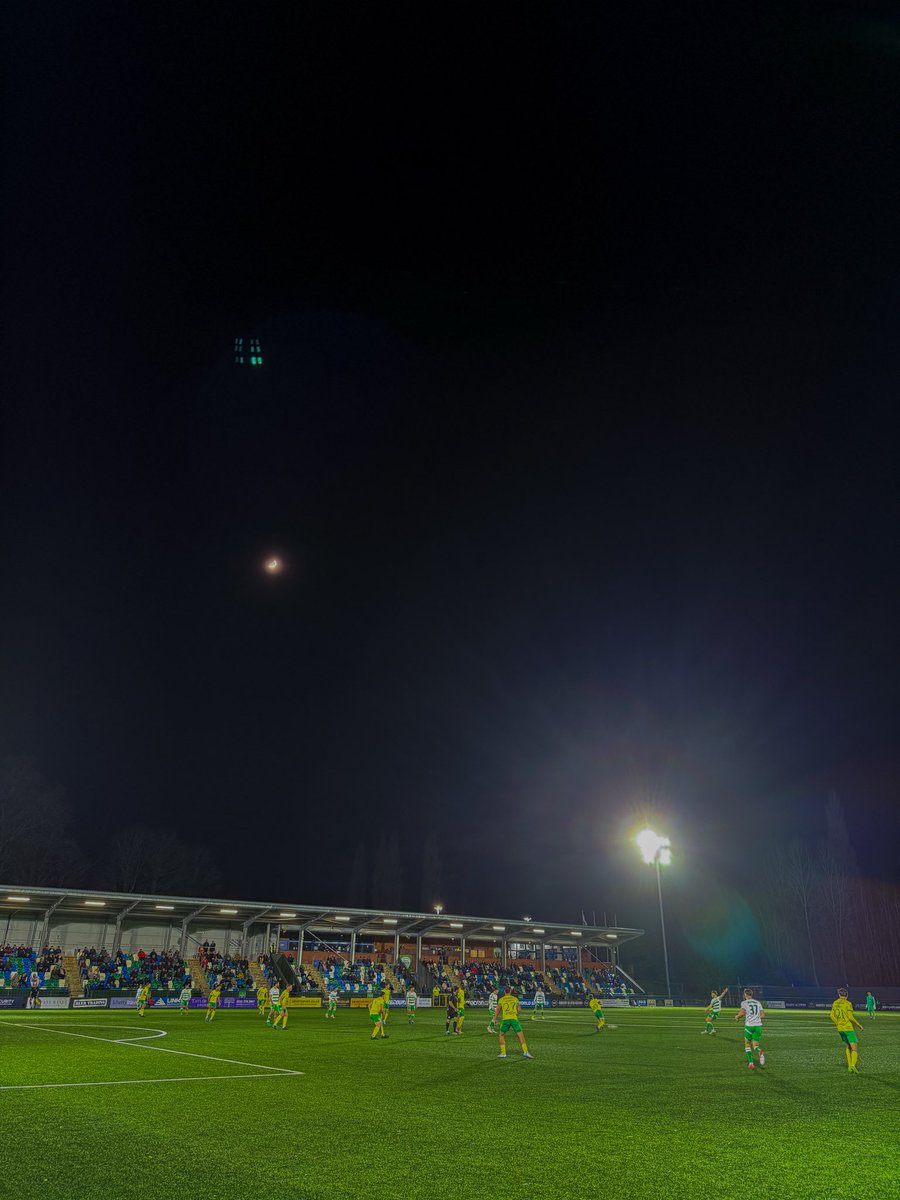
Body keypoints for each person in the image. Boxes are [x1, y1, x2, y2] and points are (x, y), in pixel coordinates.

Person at [830, 988, 863, 1073]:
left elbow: (831, 1016)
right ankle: (853, 1065)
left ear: (839, 995)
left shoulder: (835, 1003)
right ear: (847, 995)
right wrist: (859, 1025)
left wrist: (837, 1023)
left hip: (840, 1029)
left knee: (848, 1046)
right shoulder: (848, 1003)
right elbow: (850, 1017)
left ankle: (849, 1066)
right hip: (848, 1028)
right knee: (854, 1048)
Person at [495, 986, 532, 1060]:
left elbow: (498, 1009)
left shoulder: (501, 999)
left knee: (501, 1035)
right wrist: (517, 1015)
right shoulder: (515, 999)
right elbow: (519, 1010)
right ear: (510, 991)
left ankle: (503, 1053)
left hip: (505, 1020)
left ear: (504, 991)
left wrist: (494, 1019)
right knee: (520, 1035)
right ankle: (525, 1052)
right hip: (514, 1019)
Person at [735, 988, 765, 1068]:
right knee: (755, 1046)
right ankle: (759, 1051)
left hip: (749, 1026)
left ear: (745, 994)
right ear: (751, 994)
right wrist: (756, 1017)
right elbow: (763, 1015)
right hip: (758, 1026)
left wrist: (737, 1017)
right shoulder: (758, 1002)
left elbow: (742, 1013)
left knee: (747, 1044)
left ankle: (751, 1063)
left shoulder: (744, 1002)